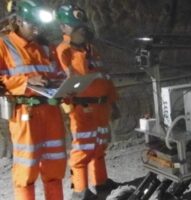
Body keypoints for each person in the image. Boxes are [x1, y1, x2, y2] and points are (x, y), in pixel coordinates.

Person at [0, 0, 66, 200]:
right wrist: (27, 82)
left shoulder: (44, 47)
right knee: (26, 168)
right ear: (19, 21)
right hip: (24, 114)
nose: (37, 30)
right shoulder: (4, 44)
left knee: (55, 165)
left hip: (50, 112)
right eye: (32, 25)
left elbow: (57, 73)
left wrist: (63, 83)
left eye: (40, 25)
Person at [55, 4, 120, 199]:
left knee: (99, 146)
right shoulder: (63, 51)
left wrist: (113, 102)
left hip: (101, 106)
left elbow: (105, 78)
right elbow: (62, 83)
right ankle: (80, 190)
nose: (82, 31)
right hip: (82, 108)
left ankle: (101, 183)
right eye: (77, 28)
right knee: (82, 150)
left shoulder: (92, 50)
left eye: (83, 27)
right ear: (64, 28)